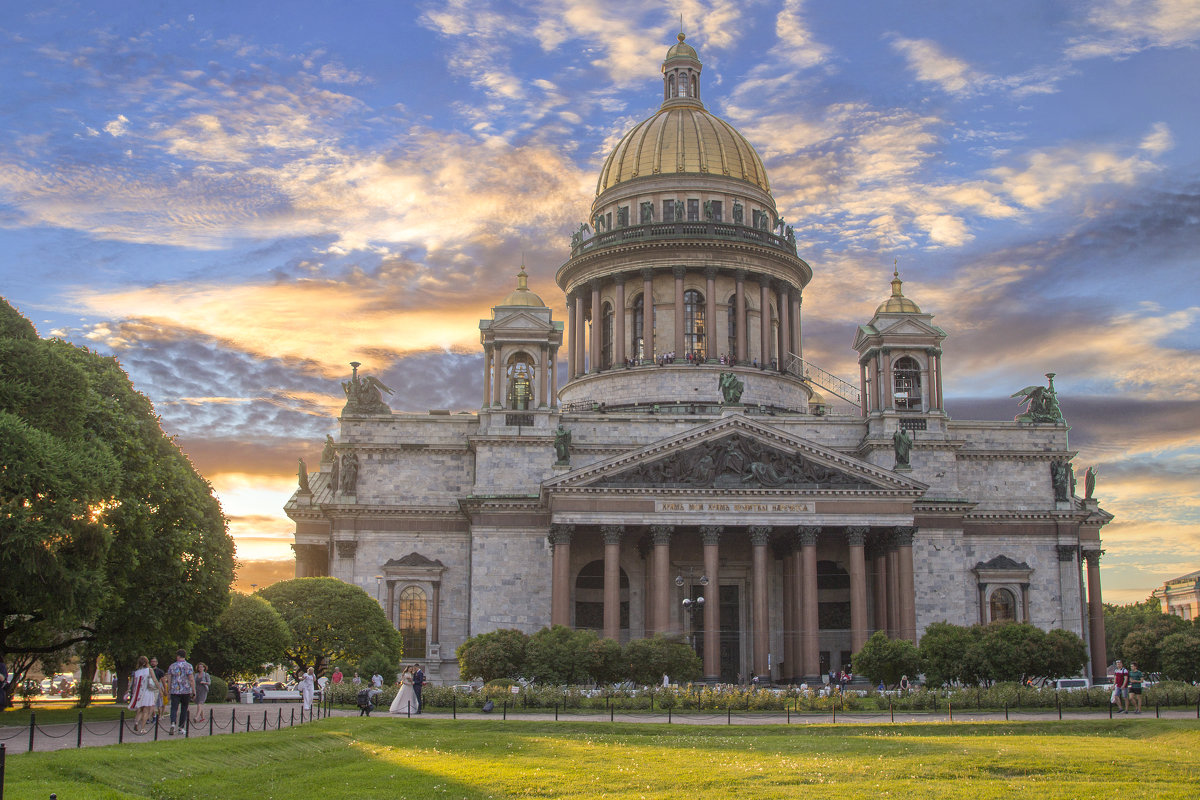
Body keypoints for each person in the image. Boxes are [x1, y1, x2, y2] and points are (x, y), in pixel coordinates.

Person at [166, 649, 196, 735]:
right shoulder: (188, 666)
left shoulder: (172, 666)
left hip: (175, 690)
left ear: (178, 656)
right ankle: (181, 727)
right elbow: (191, 679)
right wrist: (194, 691)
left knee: (174, 708)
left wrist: (168, 691)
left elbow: (169, 679)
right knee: (184, 708)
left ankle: (172, 723)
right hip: (185, 690)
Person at [129, 656, 158, 734]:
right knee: (146, 711)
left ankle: (136, 722)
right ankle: (143, 728)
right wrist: (158, 688)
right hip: (148, 691)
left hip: (139, 693)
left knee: (140, 710)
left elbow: (134, 683)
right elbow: (154, 680)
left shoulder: (137, 672)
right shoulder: (149, 670)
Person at [149, 656, 166, 725]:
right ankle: (153, 716)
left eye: (154, 662)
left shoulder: (160, 671)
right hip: (149, 687)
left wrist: (164, 689)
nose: (153, 663)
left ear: (157, 663)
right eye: (152, 662)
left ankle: (158, 715)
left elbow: (163, 681)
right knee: (150, 703)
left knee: (157, 703)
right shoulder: (148, 670)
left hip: (156, 688)